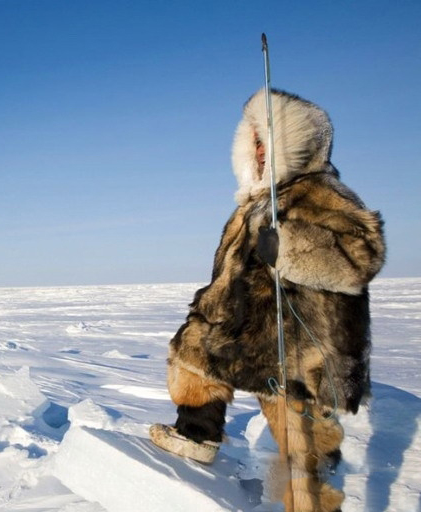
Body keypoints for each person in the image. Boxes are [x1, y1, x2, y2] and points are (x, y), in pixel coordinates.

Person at [150, 89, 385, 512]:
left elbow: (360, 257)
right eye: (254, 141)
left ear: (297, 144)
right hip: (246, 328)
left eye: (268, 141)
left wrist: (291, 247)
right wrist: (207, 312)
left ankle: (317, 478)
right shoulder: (250, 206)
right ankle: (197, 437)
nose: (259, 151)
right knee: (194, 354)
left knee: (298, 441)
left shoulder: (323, 193)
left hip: (300, 339)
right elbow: (230, 273)